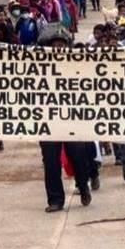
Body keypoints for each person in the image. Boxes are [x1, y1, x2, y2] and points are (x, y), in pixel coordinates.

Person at [39, 33, 95, 212]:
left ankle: (83, 185)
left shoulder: (77, 64)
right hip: (49, 121)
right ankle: (55, 199)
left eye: (62, 44)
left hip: (72, 118)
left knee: (78, 156)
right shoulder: (41, 66)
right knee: (50, 161)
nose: (58, 48)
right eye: (55, 44)